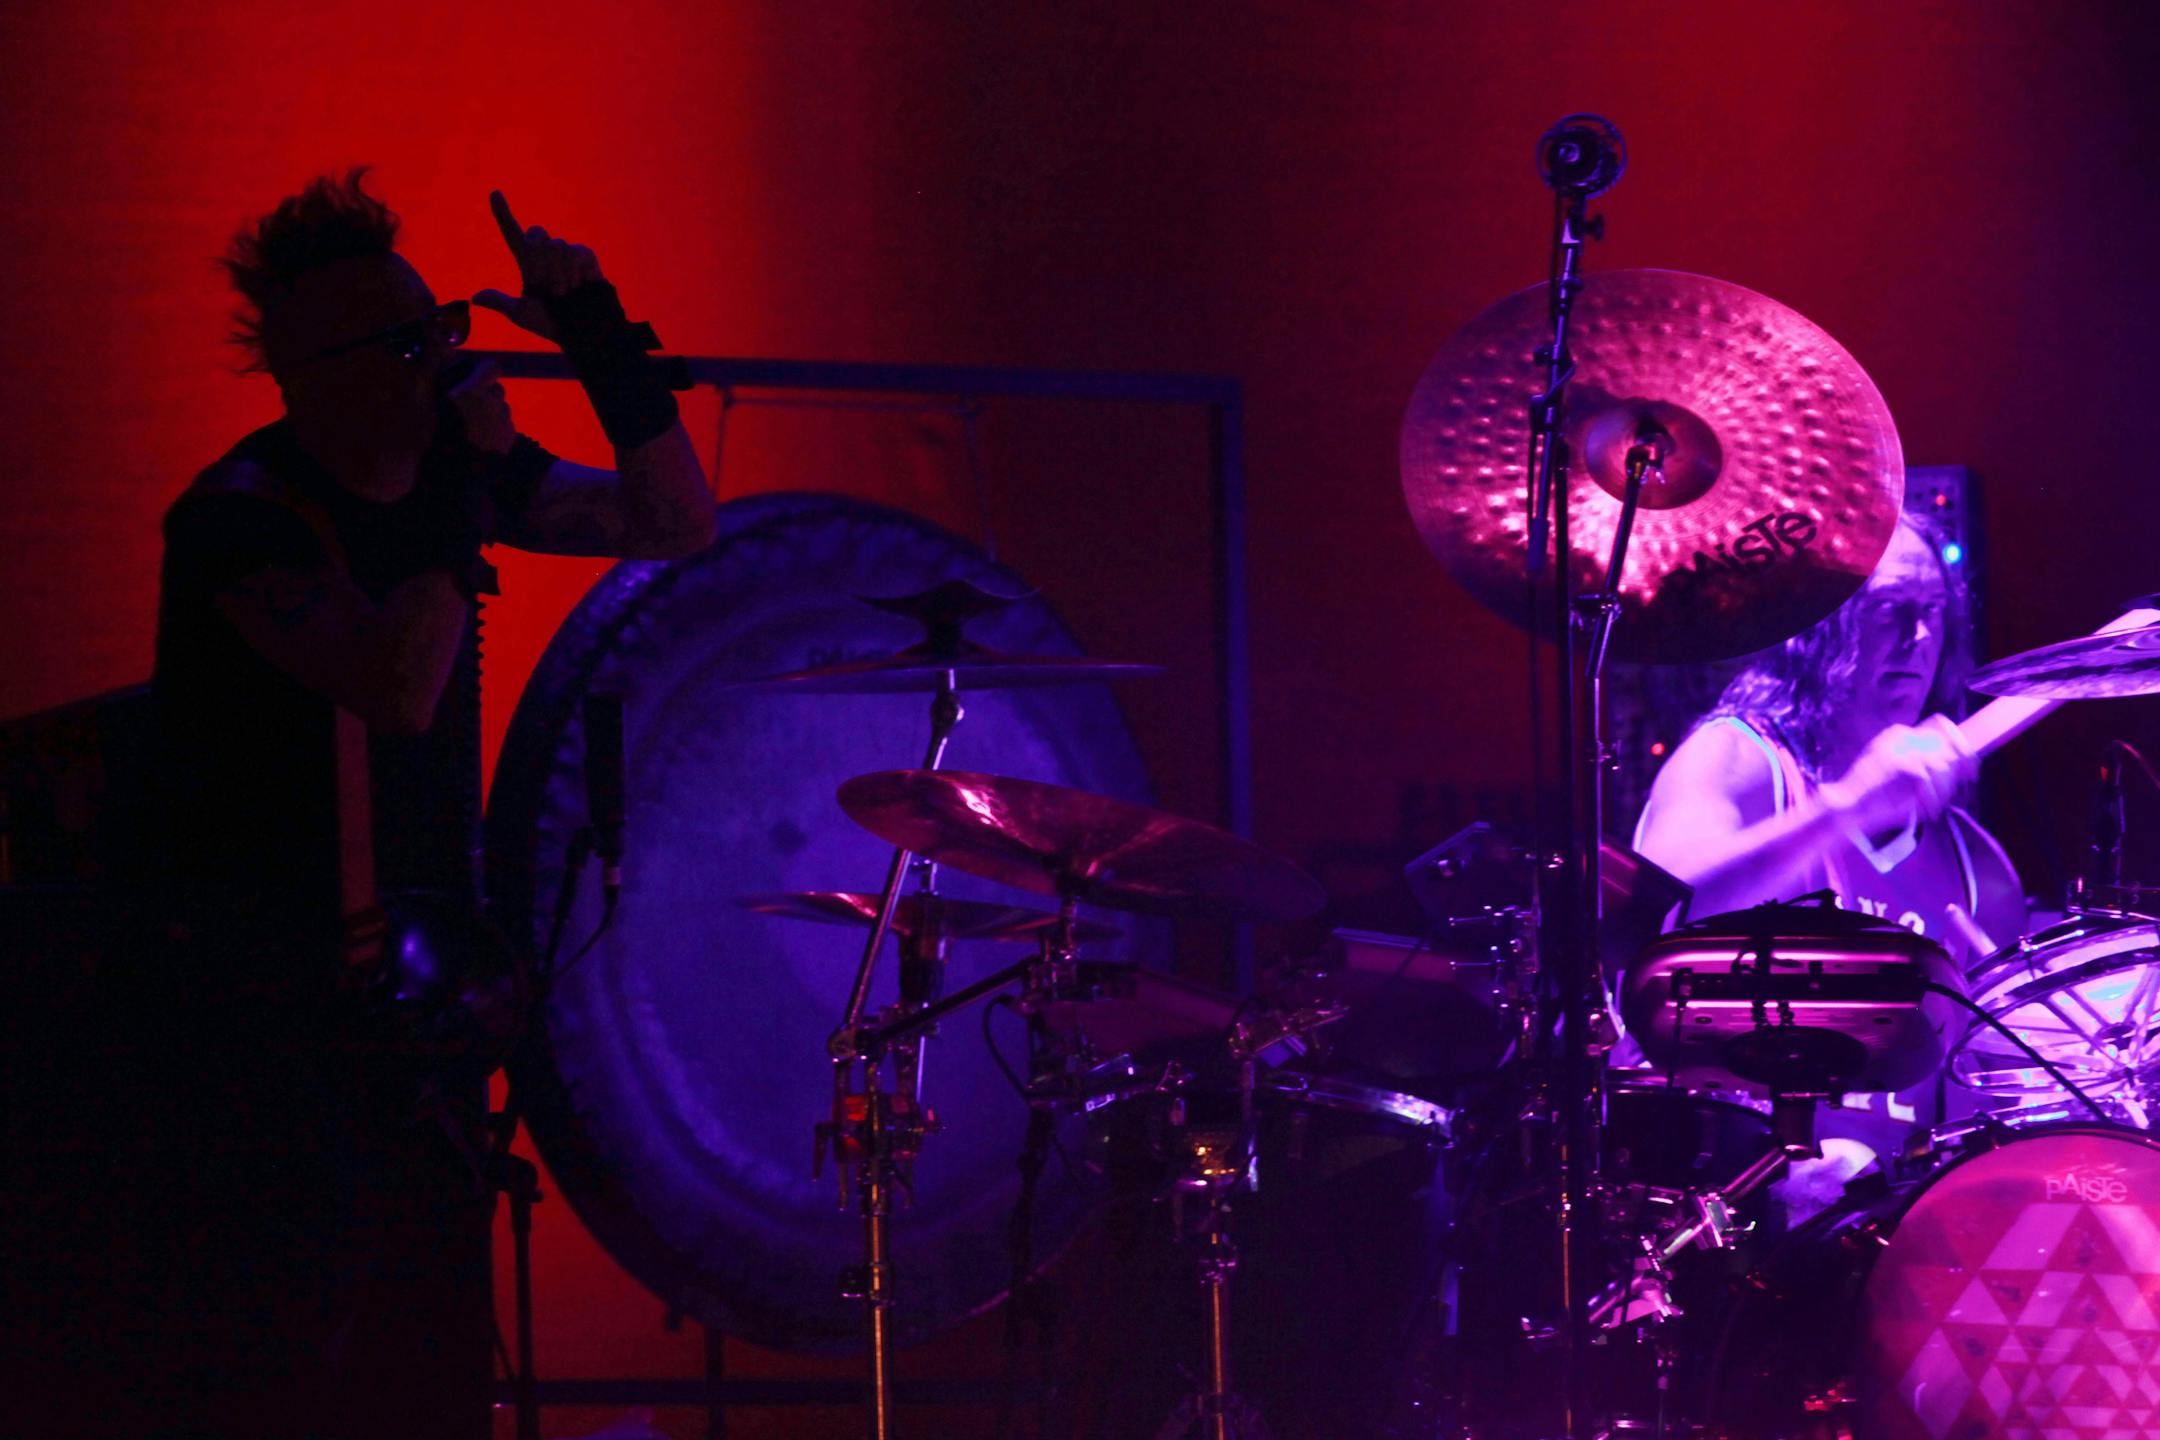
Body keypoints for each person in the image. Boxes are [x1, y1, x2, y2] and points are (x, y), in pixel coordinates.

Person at [14, 169, 713, 1439]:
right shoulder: (240, 522)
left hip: (406, 1017)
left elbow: (675, 524)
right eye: (409, 342)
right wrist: (460, 489)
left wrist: (602, 338)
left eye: (439, 323)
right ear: (312, 372)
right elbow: (396, 683)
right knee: (293, 1374)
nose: (443, 357)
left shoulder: (456, 484)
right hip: (254, 1023)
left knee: (427, 1363)